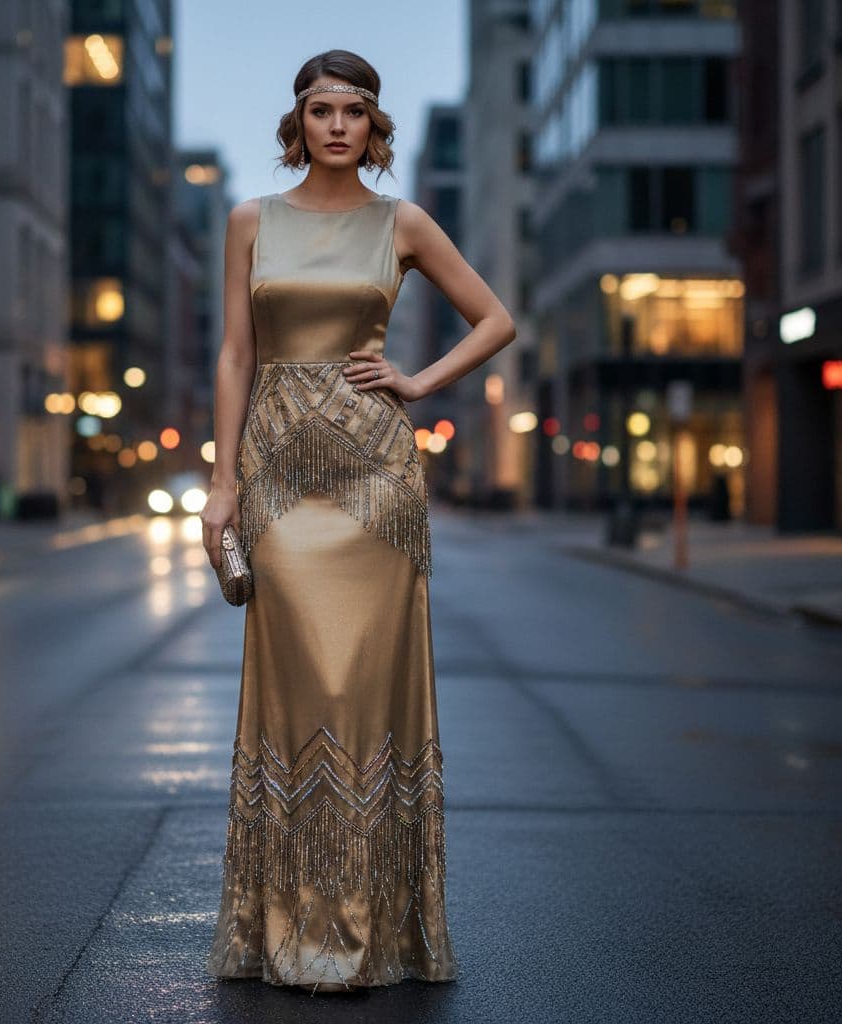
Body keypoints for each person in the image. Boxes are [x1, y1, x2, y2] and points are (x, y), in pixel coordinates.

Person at [201, 49, 517, 993]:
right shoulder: (250, 220)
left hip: (377, 482)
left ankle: (381, 935)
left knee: (365, 692)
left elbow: (496, 320)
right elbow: (235, 356)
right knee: (300, 687)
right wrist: (221, 482)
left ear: (374, 127)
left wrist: (418, 381)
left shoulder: (403, 222)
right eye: (321, 110)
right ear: (297, 123)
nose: (337, 125)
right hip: (278, 479)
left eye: (354, 112)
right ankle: (286, 930)